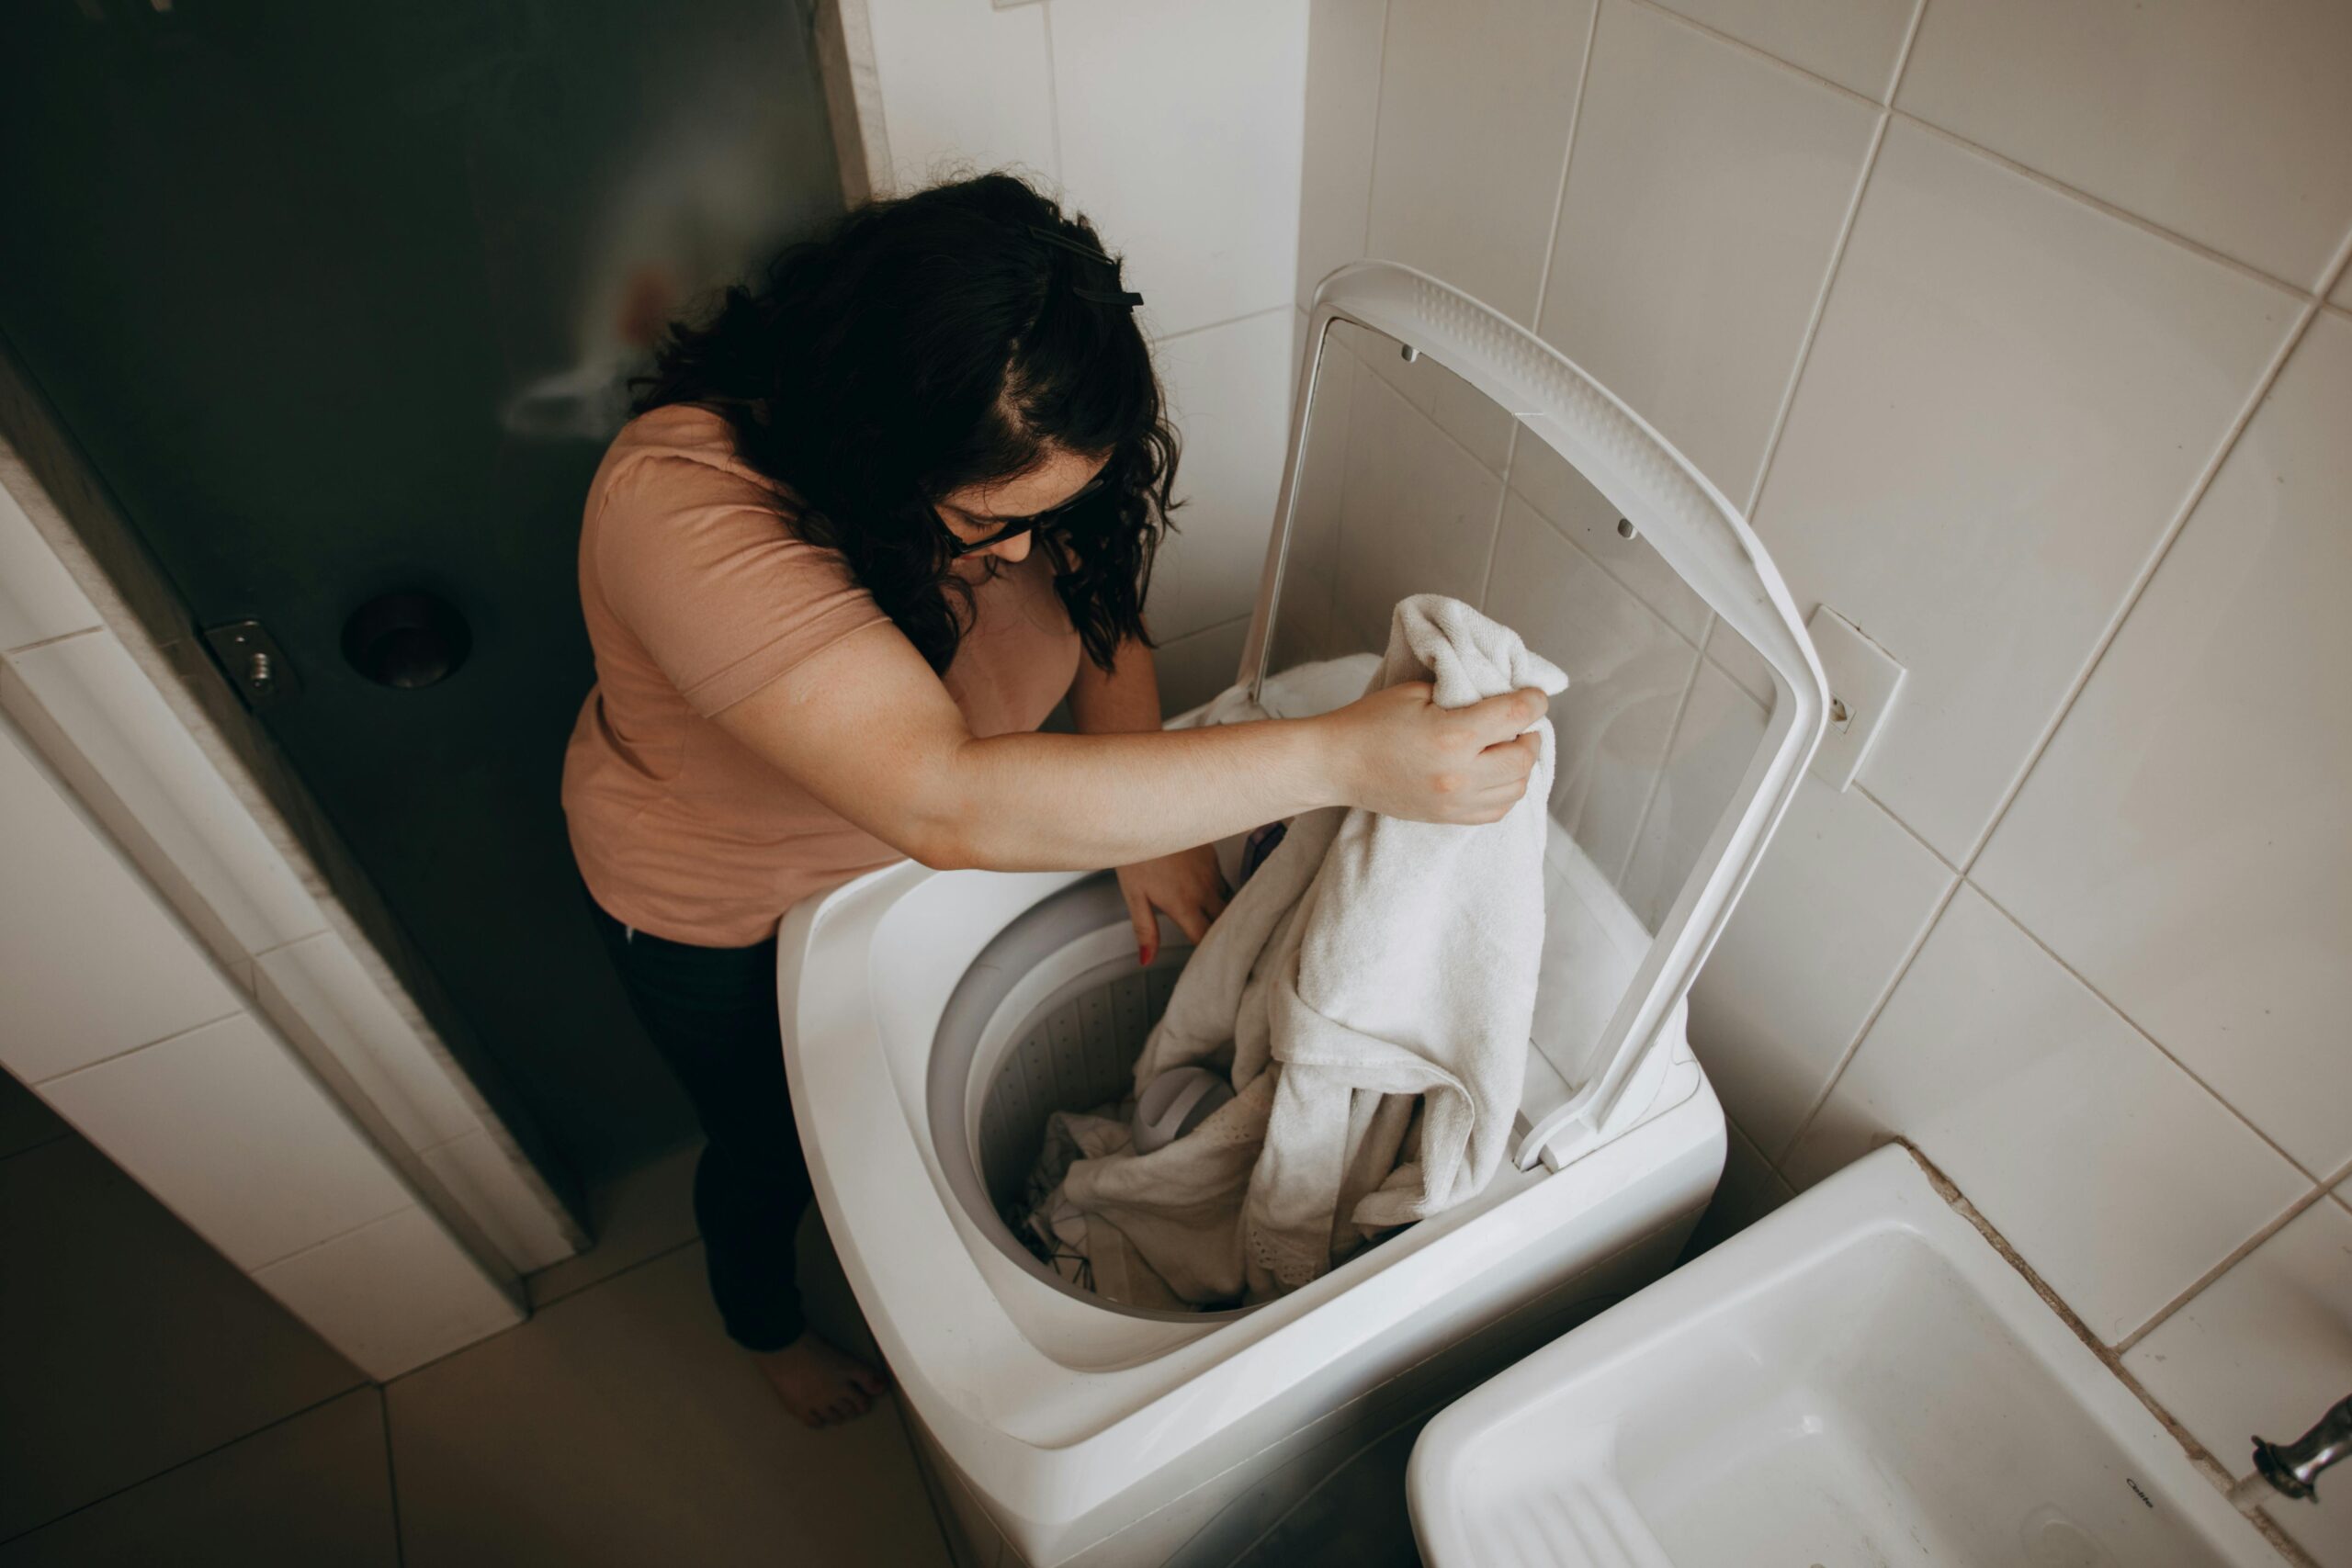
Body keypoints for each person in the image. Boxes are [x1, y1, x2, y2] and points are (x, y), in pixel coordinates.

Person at [560, 172, 1549, 1428]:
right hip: (726, 910)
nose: (1024, 552)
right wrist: (1349, 756)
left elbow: (1096, 602)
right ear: (868, 450)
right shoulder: (683, 505)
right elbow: (942, 797)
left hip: (922, 858)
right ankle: (763, 1327)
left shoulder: (1026, 439)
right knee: (771, 1151)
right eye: (988, 523)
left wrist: (1157, 832)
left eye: (1055, 513)